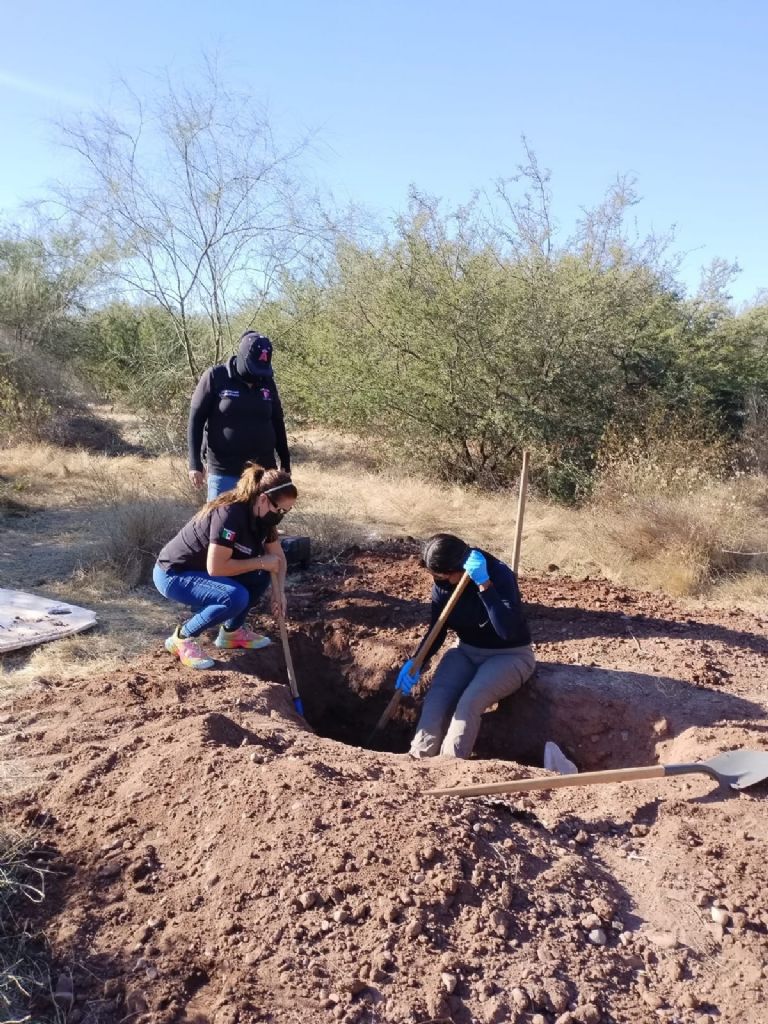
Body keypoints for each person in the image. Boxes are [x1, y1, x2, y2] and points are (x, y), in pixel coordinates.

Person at [396, 533, 536, 759]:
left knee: (470, 702)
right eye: (436, 576)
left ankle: (449, 765)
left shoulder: (499, 574)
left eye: (445, 575)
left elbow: (507, 630)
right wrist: (417, 660)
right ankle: (417, 759)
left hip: (509, 656)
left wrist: (485, 585)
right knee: (436, 699)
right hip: (466, 651)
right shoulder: (443, 582)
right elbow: (438, 628)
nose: (442, 581)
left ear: (459, 567)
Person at [153, 465, 297, 670]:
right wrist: (261, 562)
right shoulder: (230, 514)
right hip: (174, 575)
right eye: (280, 510)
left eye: (286, 511)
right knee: (234, 597)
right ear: (264, 499)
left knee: (260, 576)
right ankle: (182, 638)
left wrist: (279, 592)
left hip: (204, 572)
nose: (281, 515)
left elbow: (278, 558)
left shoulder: (263, 519)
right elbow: (216, 568)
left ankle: (232, 633)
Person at [188, 331, 291, 500]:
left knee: (261, 517)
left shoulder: (267, 382)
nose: (257, 374)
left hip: (263, 471)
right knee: (222, 516)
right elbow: (196, 419)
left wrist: (285, 461)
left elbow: (277, 421)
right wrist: (194, 463)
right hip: (224, 470)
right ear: (242, 357)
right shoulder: (216, 376)